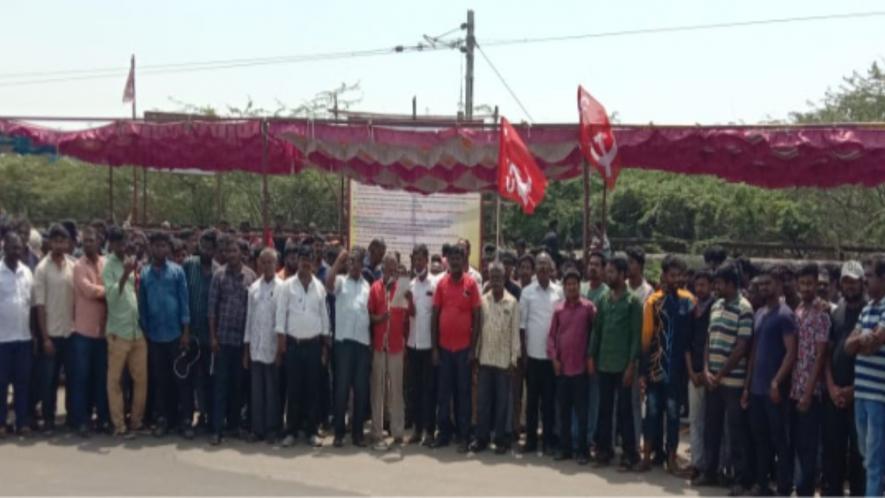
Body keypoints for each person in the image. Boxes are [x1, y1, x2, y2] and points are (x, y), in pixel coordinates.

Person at [692, 263, 754, 495]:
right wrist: (707, 369)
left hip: (733, 381)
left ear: (730, 284)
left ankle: (739, 477)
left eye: (719, 283)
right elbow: (709, 339)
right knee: (712, 427)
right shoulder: (716, 305)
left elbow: (741, 347)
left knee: (735, 430)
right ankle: (710, 471)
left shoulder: (744, 308)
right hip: (713, 379)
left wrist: (720, 374)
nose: (716, 287)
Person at [639, 255, 695, 474]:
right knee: (652, 414)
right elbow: (645, 340)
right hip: (655, 369)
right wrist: (643, 372)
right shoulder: (653, 302)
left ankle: (671, 459)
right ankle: (647, 456)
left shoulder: (688, 301)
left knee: (673, 417)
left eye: (679, 275)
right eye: (672, 275)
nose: (676, 279)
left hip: (677, 371)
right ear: (663, 276)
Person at [744, 269, 797, 496]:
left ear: (778, 285)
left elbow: (791, 352)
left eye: (768, 284)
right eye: (761, 284)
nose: (764, 288)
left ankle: (784, 487)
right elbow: (754, 352)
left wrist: (776, 382)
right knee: (760, 439)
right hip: (756, 388)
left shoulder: (785, 315)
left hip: (775, 390)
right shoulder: (759, 314)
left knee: (779, 441)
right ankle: (762, 485)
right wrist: (747, 386)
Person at [587, 253, 641, 470]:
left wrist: (631, 365)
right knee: (604, 409)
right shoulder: (603, 299)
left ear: (622, 274)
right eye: (606, 271)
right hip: (604, 363)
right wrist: (591, 356)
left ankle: (630, 454)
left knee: (625, 411)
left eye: (611, 272)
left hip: (623, 365)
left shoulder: (633, 302)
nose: (607, 275)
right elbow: (596, 332)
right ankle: (603, 451)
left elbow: (636, 337)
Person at [138, 231, 193, 438]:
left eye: (163, 246)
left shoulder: (177, 272)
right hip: (155, 336)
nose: (160, 249)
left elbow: (184, 302)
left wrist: (185, 332)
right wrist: (145, 331)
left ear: (169, 249)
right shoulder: (144, 274)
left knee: (181, 379)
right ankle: (163, 419)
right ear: (150, 248)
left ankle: (185, 420)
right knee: (160, 380)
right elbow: (142, 305)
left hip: (176, 335)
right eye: (156, 245)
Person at [276, 244, 330, 448]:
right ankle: (291, 431)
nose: (306, 264)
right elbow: (281, 314)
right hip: (293, 345)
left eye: (310, 261)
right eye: (303, 260)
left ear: (314, 263)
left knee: (312, 390)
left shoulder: (319, 286)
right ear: (298, 261)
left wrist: (325, 346)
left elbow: (324, 317)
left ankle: (311, 431)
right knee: (294, 389)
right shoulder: (287, 285)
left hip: (314, 345)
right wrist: (281, 344)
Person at [430, 244, 481, 453]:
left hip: (463, 350)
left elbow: (477, 317)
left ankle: (463, 435)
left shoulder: (471, 284)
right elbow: (434, 316)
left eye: (459, 257)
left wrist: (473, 349)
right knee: (444, 394)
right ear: (448, 261)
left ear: (464, 259)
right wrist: (434, 348)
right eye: (452, 258)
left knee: (463, 394)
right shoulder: (441, 284)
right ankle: (443, 434)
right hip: (444, 349)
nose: (456, 261)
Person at [822, 260, 866, 497]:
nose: (850, 286)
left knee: (859, 456)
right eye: (846, 281)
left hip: (859, 394)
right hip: (834, 393)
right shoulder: (835, 313)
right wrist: (831, 387)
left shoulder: (870, 312)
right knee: (833, 452)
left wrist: (853, 390)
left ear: (862, 283)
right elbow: (826, 355)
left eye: (854, 281)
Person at [207, 236, 257, 445]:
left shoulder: (250, 277)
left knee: (238, 386)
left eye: (234, 251)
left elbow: (253, 311)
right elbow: (212, 310)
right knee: (220, 385)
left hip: (241, 342)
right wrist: (213, 336)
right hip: (223, 340)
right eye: (227, 252)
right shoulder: (218, 276)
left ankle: (234, 426)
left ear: (241, 254)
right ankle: (217, 429)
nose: (231, 255)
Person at [789, 263, 831, 496]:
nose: (806, 287)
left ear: (817, 284)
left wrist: (807, 392)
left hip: (810, 391)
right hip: (794, 387)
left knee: (808, 445)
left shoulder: (821, 314)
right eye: (802, 283)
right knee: (797, 441)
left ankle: (805, 490)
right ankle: (800, 486)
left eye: (810, 283)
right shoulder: (798, 311)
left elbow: (820, 356)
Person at [844, 258, 885, 498]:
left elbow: (875, 343)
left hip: (878, 395)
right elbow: (849, 347)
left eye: (869, 276)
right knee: (866, 454)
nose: (865, 280)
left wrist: (865, 340)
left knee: (874, 458)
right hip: (861, 392)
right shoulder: (867, 309)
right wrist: (863, 340)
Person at [471, 262, 520, 454]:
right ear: (489, 279)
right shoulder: (482, 301)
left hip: (503, 362)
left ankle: (501, 439)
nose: (496, 281)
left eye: (499, 277)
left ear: (505, 278)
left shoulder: (512, 302)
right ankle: (482, 438)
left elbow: (515, 333)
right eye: (493, 277)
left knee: (502, 403)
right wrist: (475, 355)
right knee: (483, 402)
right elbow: (478, 331)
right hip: (485, 359)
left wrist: (513, 360)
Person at [103, 226, 147, 439]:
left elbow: (133, 290)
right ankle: (119, 425)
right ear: (111, 244)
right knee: (115, 381)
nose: (122, 247)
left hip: (136, 330)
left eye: (124, 242)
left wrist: (131, 274)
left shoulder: (129, 261)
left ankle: (136, 422)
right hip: (118, 332)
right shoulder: (108, 265)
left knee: (141, 379)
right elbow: (111, 297)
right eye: (118, 243)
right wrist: (125, 275)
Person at [547, 268, 595, 464]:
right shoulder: (558, 309)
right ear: (564, 287)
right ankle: (565, 448)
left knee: (582, 413)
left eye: (575, 283)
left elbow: (594, 335)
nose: (571, 287)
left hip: (581, 369)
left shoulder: (589, 308)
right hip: (563, 369)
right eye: (568, 284)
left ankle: (582, 451)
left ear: (579, 285)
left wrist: (591, 359)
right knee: (564, 412)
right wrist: (554, 359)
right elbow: (551, 337)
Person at [325, 247, 371, 448]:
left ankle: (358, 433)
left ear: (362, 265)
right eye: (351, 262)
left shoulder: (368, 286)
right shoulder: (341, 281)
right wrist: (338, 262)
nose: (353, 265)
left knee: (361, 390)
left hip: (362, 344)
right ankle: (338, 433)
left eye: (357, 262)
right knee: (341, 389)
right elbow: (328, 284)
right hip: (343, 343)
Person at [518, 252, 564, 455]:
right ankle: (530, 440)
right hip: (533, 356)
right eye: (540, 264)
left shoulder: (559, 292)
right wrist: (524, 355)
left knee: (548, 401)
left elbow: (562, 325)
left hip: (551, 358)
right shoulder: (527, 292)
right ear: (536, 268)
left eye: (546, 264)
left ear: (552, 267)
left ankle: (547, 440)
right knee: (532, 402)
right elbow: (522, 326)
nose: (543, 268)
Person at [32, 223, 75, 434]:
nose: (59, 244)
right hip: (51, 335)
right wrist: (45, 338)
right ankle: (48, 419)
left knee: (71, 380)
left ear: (68, 243)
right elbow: (39, 305)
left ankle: (69, 418)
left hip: (70, 333)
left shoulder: (72, 266)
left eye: (63, 241)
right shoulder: (41, 268)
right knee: (49, 380)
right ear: (49, 242)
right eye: (56, 240)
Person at [68, 226, 108, 436]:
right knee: (81, 378)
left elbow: (103, 286)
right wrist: (108, 290)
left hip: (102, 333)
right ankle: (81, 420)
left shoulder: (105, 263)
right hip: (83, 332)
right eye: (85, 241)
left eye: (92, 240)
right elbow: (89, 291)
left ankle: (102, 419)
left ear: (99, 241)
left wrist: (104, 289)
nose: (88, 244)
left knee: (100, 378)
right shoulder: (78, 266)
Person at [368, 254, 409, 451]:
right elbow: (369, 316)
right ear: (382, 267)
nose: (391, 270)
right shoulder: (375, 287)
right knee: (378, 390)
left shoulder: (401, 288)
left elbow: (411, 315)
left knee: (396, 391)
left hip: (396, 347)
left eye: (394, 267)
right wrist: (380, 318)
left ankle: (398, 432)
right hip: (378, 346)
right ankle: (376, 432)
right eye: (388, 266)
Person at [243, 247, 283, 444]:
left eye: (271, 262)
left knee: (272, 391)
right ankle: (257, 430)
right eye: (264, 262)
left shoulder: (282, 288)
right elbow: (249, 320)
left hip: (273, 348)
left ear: (276, 264)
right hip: (256, 348)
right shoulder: (254, 288)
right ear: (259, 263)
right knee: (256, 392)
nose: (267, 266)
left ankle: (272, 429)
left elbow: (282, 321)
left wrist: (280, 350)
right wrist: (246, 350)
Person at [182, 228, 219, 431]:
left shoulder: (218, 271)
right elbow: (183, 297)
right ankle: (188, 419)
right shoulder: (188, 265)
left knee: (207, 379)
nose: (205, 250)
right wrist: (184, 331)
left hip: (210, 337)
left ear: (214, 250)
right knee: (189, 379)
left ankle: (206, 417)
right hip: (191, 333)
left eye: (209, 247)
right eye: (202, 246)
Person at [0, 232, 34, 437]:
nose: (16, 251)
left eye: (19, 248)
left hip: (24, 338)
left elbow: (31, 305)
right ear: (4, 248)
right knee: (1, 384)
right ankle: (1, 423)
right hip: (2, 339)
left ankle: (22, 422)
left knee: (23, 383)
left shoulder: (27, 272)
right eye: (13, 247)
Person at [406, 244, 436, 445]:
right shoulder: (410, 285)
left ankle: (429, 431)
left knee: (429, 390)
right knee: (415, 389)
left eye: (420, 259)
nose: (417, 263)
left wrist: (435, 347)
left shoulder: (436, 284)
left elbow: (436, 316)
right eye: (414, 260)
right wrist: (409, 302)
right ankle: (416, 430)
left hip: (429, 346)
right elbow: (412, 314)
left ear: (426, 260)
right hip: (413, 344)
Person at [685, 269, 714, 480]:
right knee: (695, 420)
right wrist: (691, 372)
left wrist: (705, 372)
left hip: (712, 374)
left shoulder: (716, 308)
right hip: (693, 372)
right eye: (697, 285)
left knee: (711, 421)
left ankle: (712, 465)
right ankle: (696, 462)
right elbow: (686, 345)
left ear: (711, 286)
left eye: (703, 285)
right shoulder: (692, 309)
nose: (700, 289)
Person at [625, 245, 652, 442]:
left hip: (640, 351)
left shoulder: (648, 291)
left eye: (632, 262)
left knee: (636, 400)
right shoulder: (623, 286)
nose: (628, 266)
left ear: (640, 266)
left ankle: (635, 441)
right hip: (621, 349)